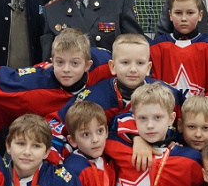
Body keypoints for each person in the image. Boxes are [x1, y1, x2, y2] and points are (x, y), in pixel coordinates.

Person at [47, 33, 185, 156]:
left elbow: (187, 126)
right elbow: (57, 125)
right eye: (125, 62)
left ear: (148, 68)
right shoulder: (94, 98)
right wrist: (56, 157)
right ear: (112, 66)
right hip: (108, 164)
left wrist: (174, 142)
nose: (133, 69)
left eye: (140, 63)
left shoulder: (168, 95)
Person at [149, 0, 208, 97]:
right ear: (170, 15)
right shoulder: (156, 47)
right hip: (165, 107)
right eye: (178, 13)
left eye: (190, 13)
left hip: (202, 107)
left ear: (200, 15)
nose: (183, 18)